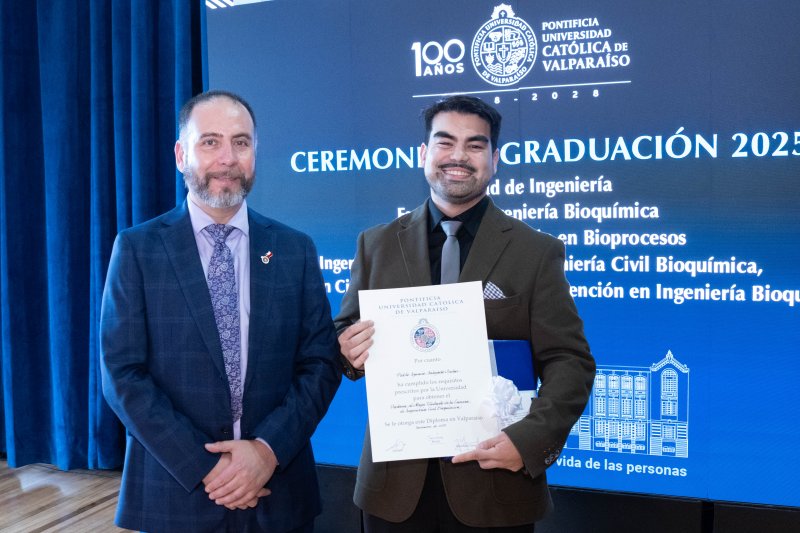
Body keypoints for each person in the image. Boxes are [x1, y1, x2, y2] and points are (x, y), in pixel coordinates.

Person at [335, 95, 595, 532]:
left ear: (495, 160)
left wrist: (528, 441)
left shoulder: (535, 252)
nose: (458, 156)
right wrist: (346, 350)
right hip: (393, 489)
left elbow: (570, 361)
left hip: (496, 485)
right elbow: (346, 333)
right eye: (445, 142)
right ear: (424, 153)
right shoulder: (376, 244)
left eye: (475, 145)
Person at [100, 90, 341, 532]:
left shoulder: (295, 249)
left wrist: (267, 451)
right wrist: (205, 467)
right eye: (210, 142)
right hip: (177, 492)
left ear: (255, 154)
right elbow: (122, 374)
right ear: (181, 155)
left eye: (241, 142)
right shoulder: (137, 250)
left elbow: (320, 363)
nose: (227, 158)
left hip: (278, 492)